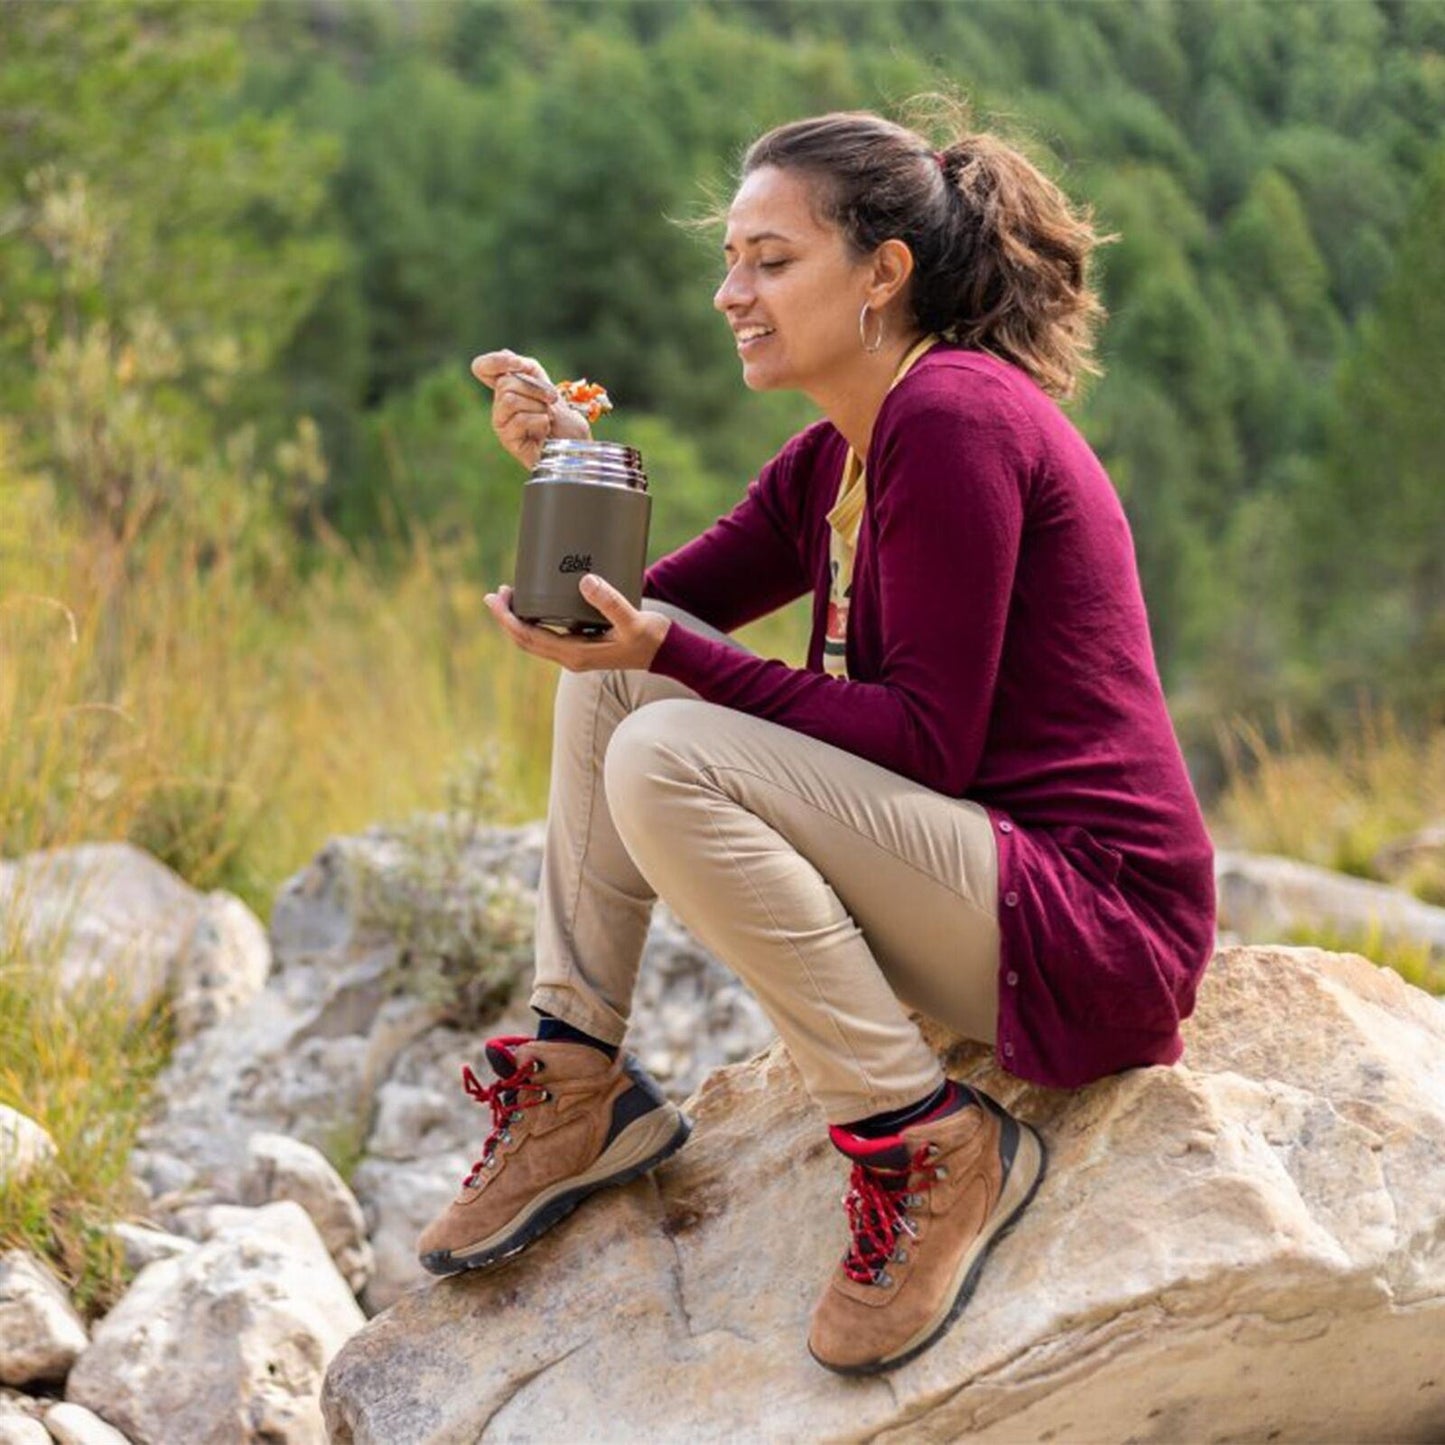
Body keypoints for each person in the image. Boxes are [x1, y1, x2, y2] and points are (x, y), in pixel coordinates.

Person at [415, 107, 1216, 1376]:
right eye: (731, 258)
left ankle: (928, 1142)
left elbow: (925, 742)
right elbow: (629, 624)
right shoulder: (831, 458)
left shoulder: (954, 418)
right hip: (974, 889)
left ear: (882, 272)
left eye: (772, 260)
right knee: (620, 689)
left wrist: (667, 655)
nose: (732, 291)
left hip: (1089, 931)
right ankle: (575, 1080)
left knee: (662, 738)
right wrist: (569, 472)